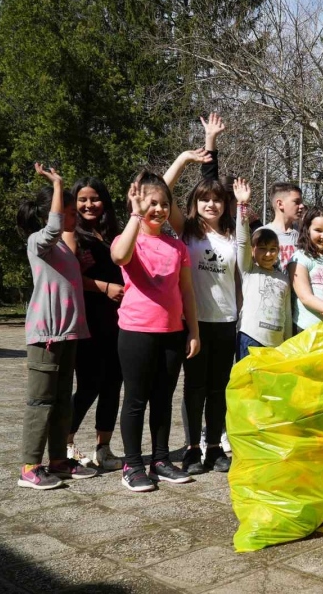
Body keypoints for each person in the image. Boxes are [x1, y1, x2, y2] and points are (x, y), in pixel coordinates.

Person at [111, 172, 200, 492]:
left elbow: (187, 291)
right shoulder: (129, 241)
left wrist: (194, 331)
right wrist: (135, 215)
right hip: (136, 331)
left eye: (165, 203)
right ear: (137, 204)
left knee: (163, 399)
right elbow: (119, 256)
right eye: (153, 203)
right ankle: (132, 464)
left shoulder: (177, 247)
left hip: (172, 332)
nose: (160, 209)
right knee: (136, 400)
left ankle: (160, 460)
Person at [16, 164, 97, 489]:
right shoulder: (39, 240)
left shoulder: (62, 248)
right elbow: (52, 229)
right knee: (40, 402)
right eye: (67, 208)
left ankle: (58, 460)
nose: (74, 213)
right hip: (46, 335)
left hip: (68, 334)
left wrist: (81, 265)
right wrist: (58, 184)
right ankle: (29, 467)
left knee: (63, 399)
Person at [178, 177, 238, 475]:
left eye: (217, 199)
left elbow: (238, 280)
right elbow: (162, 188)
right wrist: (196, 152)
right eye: (204, 199)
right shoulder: (187, 232)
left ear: (225, 204)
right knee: (194, 387)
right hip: (195, 322)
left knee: (218, 389)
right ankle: (191, 450)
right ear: (195, 203)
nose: (211, 204)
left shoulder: (233, 235)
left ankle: (214, 448)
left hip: (226, 321)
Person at [66, 177, 125, 470]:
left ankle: (104, 449)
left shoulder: (112, 234)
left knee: (114, 383)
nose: (89, 205)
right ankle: (65, 445)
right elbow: (71, 276)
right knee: (90, 383)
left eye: (95, 198)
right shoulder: (72, 235)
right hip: (88, 321)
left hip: (119, 321)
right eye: (83, 199)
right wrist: (105, 287)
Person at [234, 178, 292, 359]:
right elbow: (243, 241)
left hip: (277, 344)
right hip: (251, 338)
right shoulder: (249, 270)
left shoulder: (283, 278)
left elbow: (287, 313)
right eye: (263, 249)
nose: (268, 254)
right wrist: (242, 205)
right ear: (253, 250)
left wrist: (288, 343)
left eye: (273, 249)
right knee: (248, 386)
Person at [265, 182, 306, 273]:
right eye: (297, 202)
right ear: (280, 204)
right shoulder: (263, 233)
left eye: (302, 202)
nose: (302, 206)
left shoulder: (304, 233)